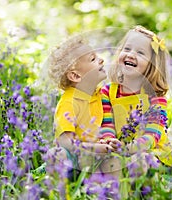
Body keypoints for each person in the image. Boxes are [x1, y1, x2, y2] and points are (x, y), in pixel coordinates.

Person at [99, 25, 172, 174]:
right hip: (120, 150)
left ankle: (142, 193)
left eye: (140, 53)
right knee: (107, 162)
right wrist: (110, 142)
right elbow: (107, 124)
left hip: (152, 154)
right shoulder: (107, 92)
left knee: (140, 162)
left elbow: (153, 135)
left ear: (152, 65)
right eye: (127, 49)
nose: (131, 55)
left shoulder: (156, 99)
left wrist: (129, 149)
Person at [43, 35, 121, 177]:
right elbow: (65, 143)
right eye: (93, 59)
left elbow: (100, 130)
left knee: (114, 161)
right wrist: (94, 147)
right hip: (73, 159)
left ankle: (113, 194)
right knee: (56, 154)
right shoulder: (69, 103)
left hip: (93, 158)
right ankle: (58, 190)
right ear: (76, 76)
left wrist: (106, 142)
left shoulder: (100, 95)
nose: (101, 60)